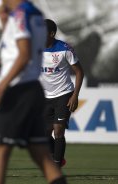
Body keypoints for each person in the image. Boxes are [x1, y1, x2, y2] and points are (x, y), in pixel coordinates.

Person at [0, 0, 67, 184]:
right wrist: (4, 21)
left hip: (17, 92)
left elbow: (24, 55)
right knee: (43, 158)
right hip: (34, 90)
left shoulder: (20, 15)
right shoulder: (35, 14)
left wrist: (1, 87)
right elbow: (14, 47)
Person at [41, 19, 84, 167]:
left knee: (58, 131)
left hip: (64, 93)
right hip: (45, 97)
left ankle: (57, 165)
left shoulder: (64, 49)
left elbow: (79, 72)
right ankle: (58, 156)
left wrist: (75, 95)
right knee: (43, 135)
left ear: (51, 34)